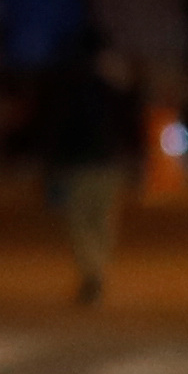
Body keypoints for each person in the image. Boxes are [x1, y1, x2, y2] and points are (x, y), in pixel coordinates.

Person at [33, 29, 140, 304]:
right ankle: (96, 270)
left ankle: (92, 272)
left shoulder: (68, 83)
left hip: (80, 164)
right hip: (108, 162)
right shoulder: (114, 85)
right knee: (102, 220)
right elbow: (130, 121)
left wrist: (52, 162)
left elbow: (55, 124)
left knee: (80, 222)